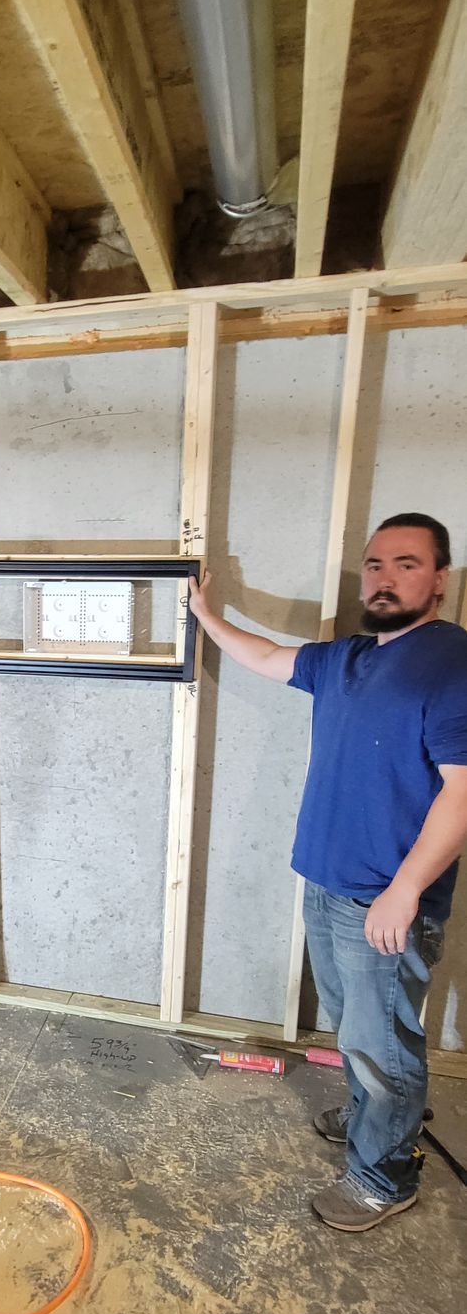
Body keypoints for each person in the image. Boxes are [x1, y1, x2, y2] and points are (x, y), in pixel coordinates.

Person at [188, 512, 467, 1233]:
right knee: (355, 1029)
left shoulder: (451, 663)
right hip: (328, 883)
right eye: (374, 565)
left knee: (381, 1045)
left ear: (439, 579)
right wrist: (206, 615)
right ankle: (379, 1113)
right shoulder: (346, 659)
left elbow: (463, 791)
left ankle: (385, 1176)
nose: (383, 577)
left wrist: (404, 892)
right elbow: (265, 656)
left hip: (386, 896)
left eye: (406, 564)